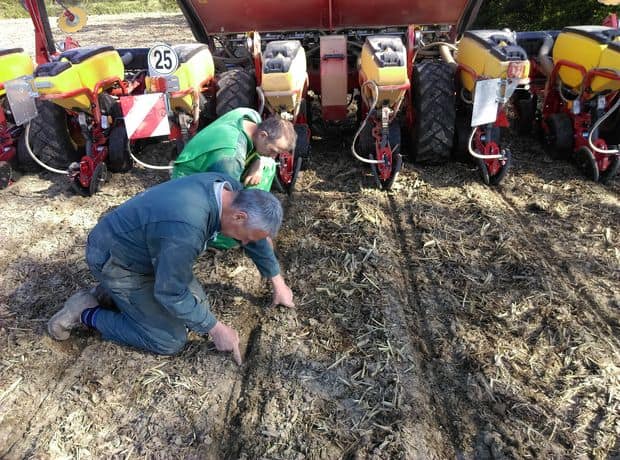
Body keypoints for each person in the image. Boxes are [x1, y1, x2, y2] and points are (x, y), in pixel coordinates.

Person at [47, 172, 295, 365]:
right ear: (239, 216)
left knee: (197, 304)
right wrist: (216, 329)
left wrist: (277, 281)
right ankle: (86, 312)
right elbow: (171, 292)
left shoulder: (230, 191)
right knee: (169, 339)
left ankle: (109, 294)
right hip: (117, 261)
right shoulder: (186, 228)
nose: (246, 243)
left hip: (145, 251)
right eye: (247, 237)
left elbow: (258, 237)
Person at [171, 107, 297, 187]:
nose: (273, 156)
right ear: (263, 135)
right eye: (272, 151)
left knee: (266, 165)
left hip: (205, 164)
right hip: (189, 182)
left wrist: (258, 162)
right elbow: (227, 197)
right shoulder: (231, 159)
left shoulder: (250, 116)